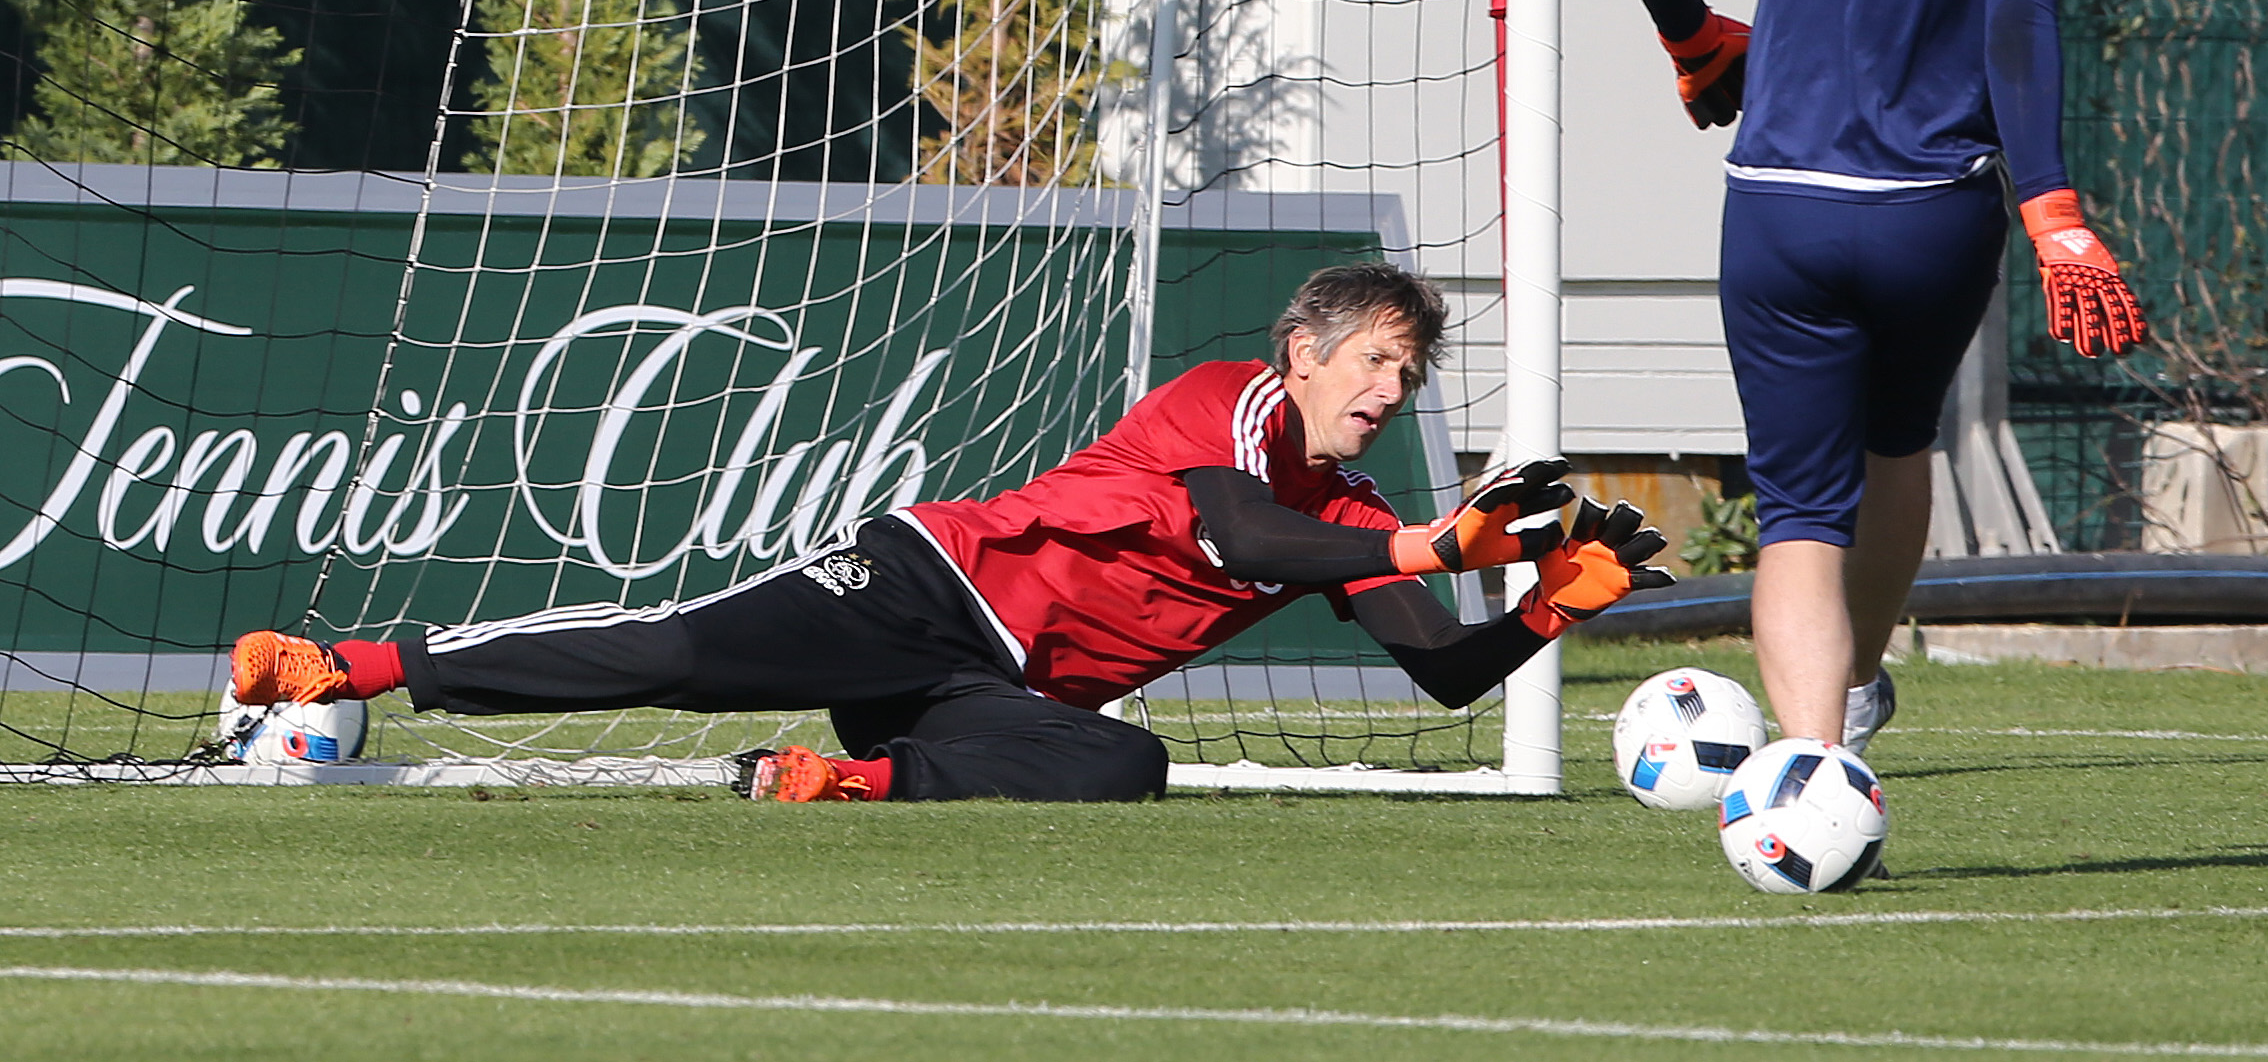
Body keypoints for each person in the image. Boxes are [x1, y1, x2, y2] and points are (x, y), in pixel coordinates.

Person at [228, 263, 1672, 802]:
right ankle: (343, 663)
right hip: (926, 581)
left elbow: (1438, 673)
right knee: (671, 650)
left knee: (1124, 766)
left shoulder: (1357, 517)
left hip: (988, 692)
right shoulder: (1229, 407)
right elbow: (1238, 534)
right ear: (1298, 350)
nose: (1387, 389)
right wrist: (1431, 546)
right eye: (1369, 362)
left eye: (1405, 377)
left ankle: (849, 781)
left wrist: (1550, 604)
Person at [1625, 0, 2145, 756]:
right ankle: (1856, 698)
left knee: (1801, 509)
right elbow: (2019, 27)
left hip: (1780, 207)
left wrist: (1699, 44)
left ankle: (1807, 771)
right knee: (1899, 437)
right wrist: (2053, 207)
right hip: (1929, 212)